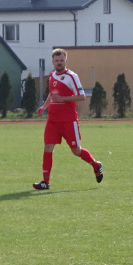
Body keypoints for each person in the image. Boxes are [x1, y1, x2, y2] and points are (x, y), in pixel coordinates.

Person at [32, 48, 103, 190]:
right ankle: (46, 182)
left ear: (66, 61)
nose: (59, 63)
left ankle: (96, 165)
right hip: (53, 120)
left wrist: (63, 98)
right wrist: (44, 107)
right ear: (53, 62)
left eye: (61, 60)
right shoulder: (52, 75)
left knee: (76, 151)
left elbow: (82, 96)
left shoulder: (71, 76)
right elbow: (52, 95)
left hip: (68, 121)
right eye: (56, 60)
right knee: (47, 148)